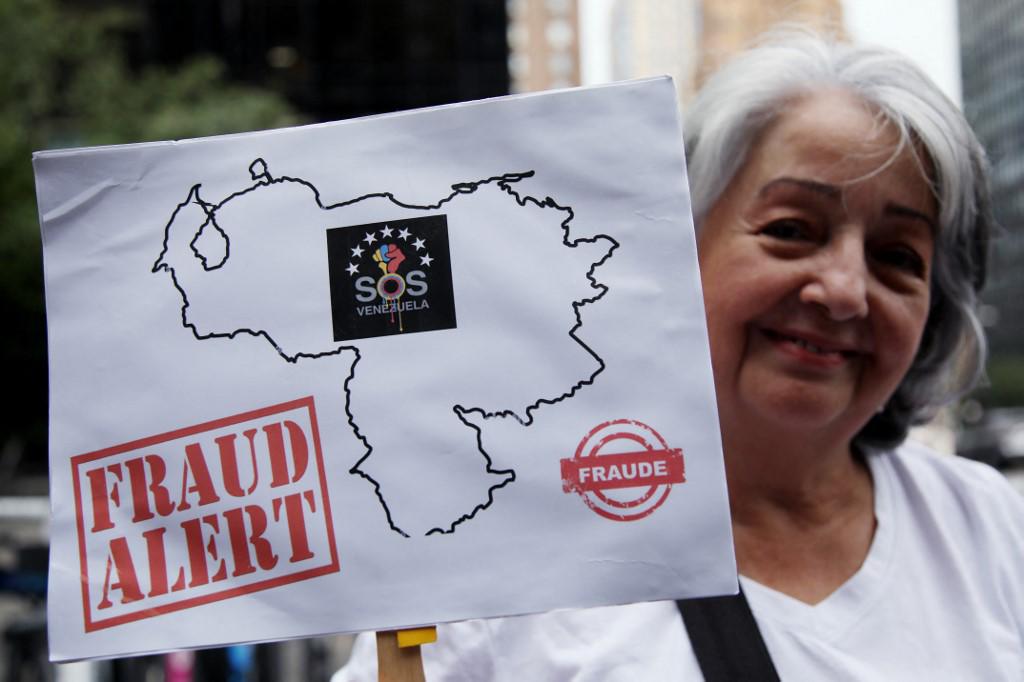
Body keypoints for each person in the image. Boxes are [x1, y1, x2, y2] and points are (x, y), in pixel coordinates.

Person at [334, 30, 1024, 680]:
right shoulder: (491, 555)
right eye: (792, 229)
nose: (844, 290)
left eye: (898, 257)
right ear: (676, 245)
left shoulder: (989, 530)